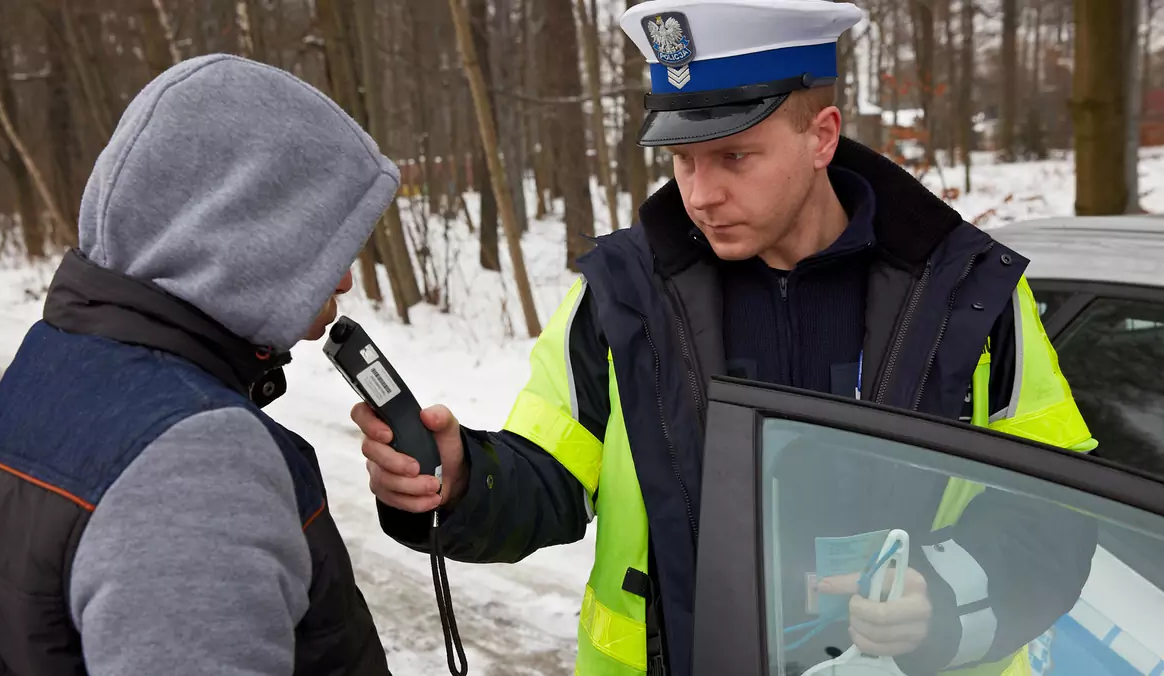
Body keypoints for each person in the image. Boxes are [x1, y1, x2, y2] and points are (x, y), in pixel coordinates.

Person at [354, 1, 1097, 675]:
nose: (700, 193)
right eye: (682, 160)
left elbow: (1054, 513)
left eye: (735, 157)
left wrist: (940, 595)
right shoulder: (620, 295)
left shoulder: (968, 294)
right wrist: (460, 479)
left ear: (821, 136)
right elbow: (548, 477)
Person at [0, 55, 399, 675]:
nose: (347, 278)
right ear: (244, 229)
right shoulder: (197, 457)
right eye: (322, 242)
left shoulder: (59, 360)